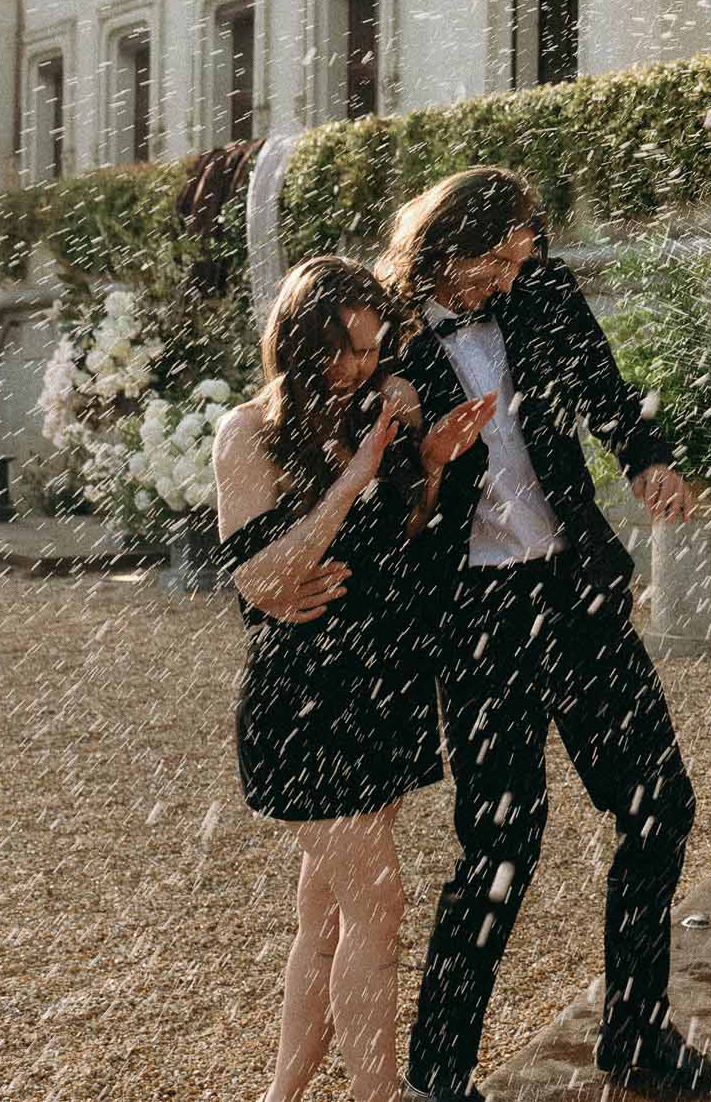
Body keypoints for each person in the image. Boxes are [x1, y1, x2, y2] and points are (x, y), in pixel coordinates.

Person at [380, 168, 711, 1102]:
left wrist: (649, 459)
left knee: (661, 802)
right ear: (446, 245)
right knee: (503, 840)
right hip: (476, 615)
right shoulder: (385, 334)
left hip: (575, 589)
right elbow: (380, 508)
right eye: (494, 262)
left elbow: (605, 388)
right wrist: (424, 462)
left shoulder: (540, 290)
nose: (507, 279)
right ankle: (441, 1077)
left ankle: (636, 1033)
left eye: (518, 261)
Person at [213, 256, 496, 1102]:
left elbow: (398, 536)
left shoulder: (373, 410)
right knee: (381, 906)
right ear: (297, 340)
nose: (357, 367)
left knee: (327, 914)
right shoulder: (249, 432)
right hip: (308, 698)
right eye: (340, 349)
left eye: (371, 350)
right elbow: (260, 576)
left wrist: (433, 461)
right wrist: (355, 473)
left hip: (386, 682)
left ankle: (282, 1095)